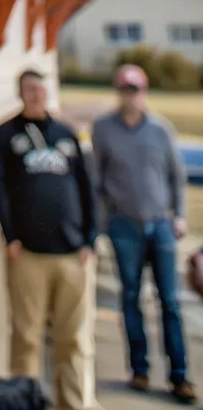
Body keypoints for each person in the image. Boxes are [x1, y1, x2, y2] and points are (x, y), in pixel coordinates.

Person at [0, 67, 96, 410]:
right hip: (29, 254)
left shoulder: (65, 133)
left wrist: (90, 238)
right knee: (26, 338)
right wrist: (11, 237)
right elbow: (0, 188)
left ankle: (72, 403)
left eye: (40, 88)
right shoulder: (5, 135)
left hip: (71, 253)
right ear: (20, 94)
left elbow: (85, 185)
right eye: (30, 89)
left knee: (72, 339)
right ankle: (25, 402)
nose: (36, 94)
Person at [93, 63, 196, 402]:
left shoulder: (160, 129)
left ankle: (179, 376)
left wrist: (179, 216)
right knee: (131, 298)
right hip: (124, 226)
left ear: (144, 92)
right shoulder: (104, 130)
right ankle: (139, 370)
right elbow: (97, 181)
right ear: (118, 92)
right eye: (125, 90)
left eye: (135, 90)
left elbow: (176, 177)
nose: (130, 96)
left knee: (169, 301)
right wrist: (103, 225)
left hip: (161, 225)